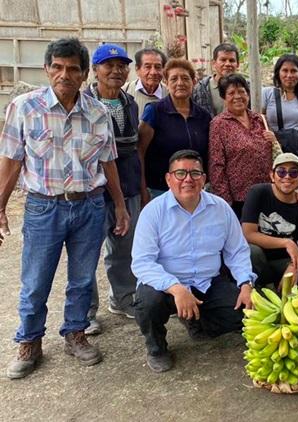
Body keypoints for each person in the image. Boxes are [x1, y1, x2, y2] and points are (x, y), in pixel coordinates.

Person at [1, 38, 130, 379]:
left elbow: (109, 162)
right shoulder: (24, 107)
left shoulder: (98, 112)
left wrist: (119, 205)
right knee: (35, 279)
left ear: (85, 73)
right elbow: (12, 162)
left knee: (83, 278)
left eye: (73, 69)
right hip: (43, 208)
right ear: (47, 69)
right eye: (57, 67)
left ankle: (76, 333)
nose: (64, 75)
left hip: (88, 206)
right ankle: (29, 341)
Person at [131, 149, 256, 373]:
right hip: (167, 287)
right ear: (168, 179)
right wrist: (177, 289)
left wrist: (246, 284)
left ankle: (197, 322)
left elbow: (237, 251)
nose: (188, 179)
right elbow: (142, 262)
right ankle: (157, 348)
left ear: (204, 179)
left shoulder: (220, 208)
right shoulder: (152, 212)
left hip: (207, 282)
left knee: (244, 313)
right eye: (180, 173)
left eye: (195, 173)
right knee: (148, 304)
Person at [84, 44, 142, 332]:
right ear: (95, 70)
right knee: (88, 251)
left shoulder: (129, 103)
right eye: (109, 65)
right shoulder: (83, 102)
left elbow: (132, 148)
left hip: (127, 185)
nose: (116, 71)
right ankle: (86, 312)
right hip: (92, 189)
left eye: (122, 65)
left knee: (123, 246)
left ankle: (122, 298)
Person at [242, 153, 298, 291]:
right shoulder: (258, 192)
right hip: (259, 261)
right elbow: (248, 234)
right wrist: (286, 242)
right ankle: (259, 288)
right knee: (251, 251)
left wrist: (294, 266)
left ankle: (289, 298)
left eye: (294, 173)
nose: (287, 177)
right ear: (272, 175)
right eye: (281, 172)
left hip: (287, 260)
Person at [138, 59, 212, 202]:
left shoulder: (203, 116)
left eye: (185, 78)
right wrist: (143, 189)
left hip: (194, 190)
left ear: (194, 82)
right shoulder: (155, 111)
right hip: (159, 191)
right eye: (174, 79)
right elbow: (140, 151)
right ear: (166, 82)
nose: (180, 83)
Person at [209, 74, 282, 217]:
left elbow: (275, 152)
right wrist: (225, 202)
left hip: (268, 192)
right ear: (224, 98)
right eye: (231, 93)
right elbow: (216, 165)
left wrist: (274, 139)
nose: (238, 96)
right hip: (239, 199)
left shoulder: (260, 119)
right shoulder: (219, 124)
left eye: (242, 91)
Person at [262, 54, 298, 153]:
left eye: (293, 71)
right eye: (285, 70)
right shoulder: (267, 93)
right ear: (278, 72)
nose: (289, 75)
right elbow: (259, 120)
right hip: (276, 151)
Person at [192, 43, 240, 117]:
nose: (227, 64)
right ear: (214, 63)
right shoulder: (200, 89)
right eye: (223, 60)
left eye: (231, 60)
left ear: (237, 64)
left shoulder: (246, 88)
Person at [123, 47, 168, 118]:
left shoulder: (170, 94)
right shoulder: (124, 91)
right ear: (137, 69)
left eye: (158, 67)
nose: (153, 72)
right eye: (148, 67)